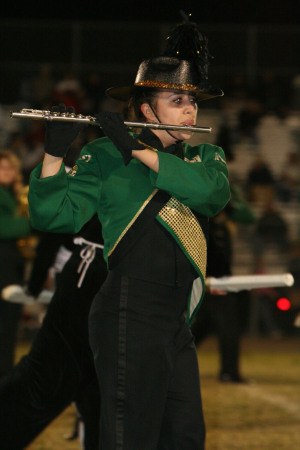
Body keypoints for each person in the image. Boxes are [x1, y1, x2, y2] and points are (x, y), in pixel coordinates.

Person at [28, 15, 230, 449]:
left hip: (176, 322)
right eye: (177, 99)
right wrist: (53, 153)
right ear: (145, 108)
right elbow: (54, 217)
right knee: (129, 437)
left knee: (185, 436)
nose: (190, 109)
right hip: (127, 313)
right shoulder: (103, 154)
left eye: (193, 102)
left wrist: (139, 150)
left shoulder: (206, 157)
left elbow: (211, 195)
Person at [0, 215, 106, 450]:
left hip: (107, 271)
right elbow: (56, 219)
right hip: (92, 269)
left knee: (98, 390)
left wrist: (35, 284)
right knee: (48, 379)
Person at [0, 149, 32, 379]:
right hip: (4, 264)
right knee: (5, 324)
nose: (8, 172)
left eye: (11, 167)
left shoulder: (13, 195)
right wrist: (32, 223)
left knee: (10, 324)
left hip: (12, 263)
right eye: (2, 167)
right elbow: (4, 227)